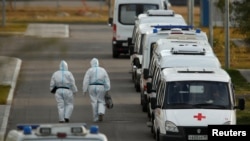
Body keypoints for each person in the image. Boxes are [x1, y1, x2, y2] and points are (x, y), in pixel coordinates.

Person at [82, 58, 111, 122]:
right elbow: (106, 79)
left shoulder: (89, 70)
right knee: (101, 101)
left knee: (94, 102)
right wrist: (107, 88)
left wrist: (84, 89)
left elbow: (86, 80)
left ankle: (95, 118)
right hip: (101, 87)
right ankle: (101, 112)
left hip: (92, 87)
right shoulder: (102, 70)